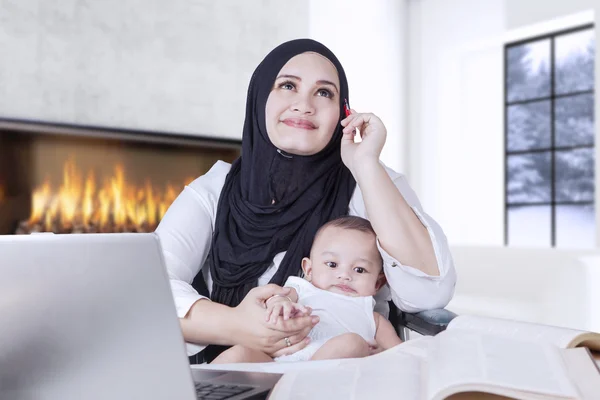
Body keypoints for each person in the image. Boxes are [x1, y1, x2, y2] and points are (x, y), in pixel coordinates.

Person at [155, 38, 456, 363]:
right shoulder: (213, 192)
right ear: (259, 99)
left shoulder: (371, 181)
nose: (304, 105)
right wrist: (238, 326)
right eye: (287, 85)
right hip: (238, 374)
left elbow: (428, 293)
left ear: (343, 111)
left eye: (324, 92)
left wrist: (366, 165)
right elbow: (149, 287)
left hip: (342, 378)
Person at [211, 216, 403, 364]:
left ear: (378, 284)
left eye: (359, 269)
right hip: (277, 366)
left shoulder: (373, 318)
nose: (344, 275)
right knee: (238, 354)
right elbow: (276, 297)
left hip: (320, 379)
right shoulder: (301, 290)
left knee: (352, 343)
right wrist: (280, 303)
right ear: (309, 270)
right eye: (332, 264)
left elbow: (404, 357)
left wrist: (381, 358)